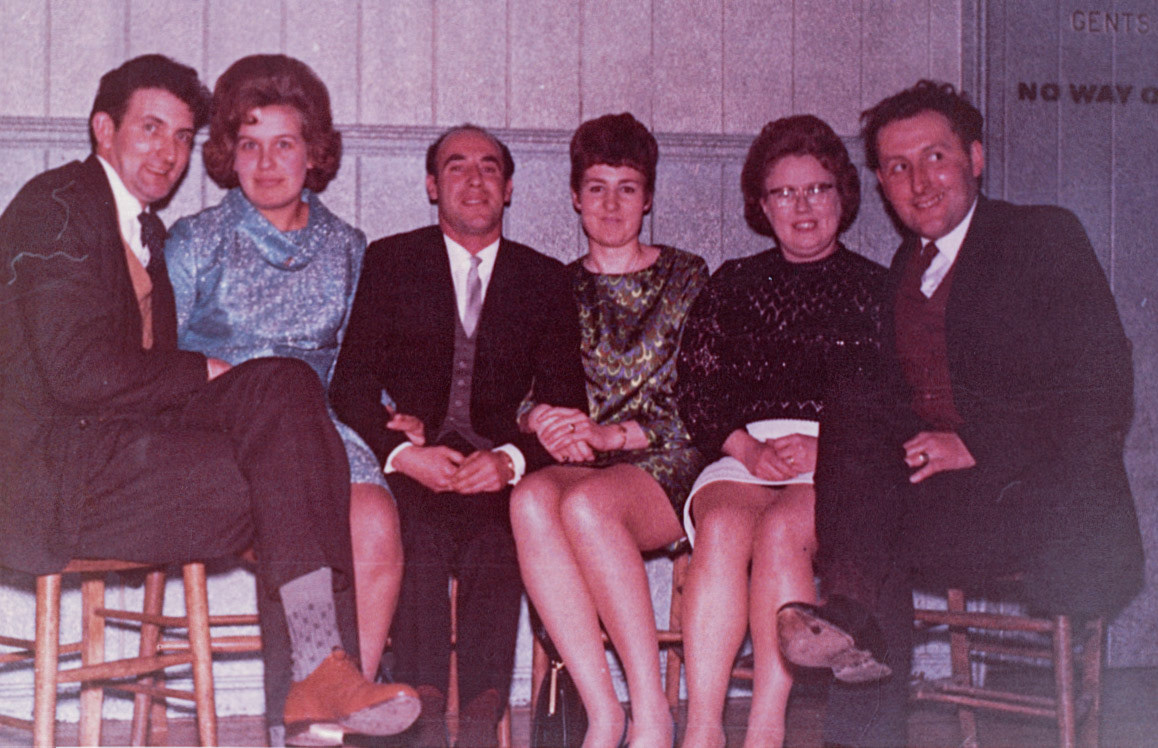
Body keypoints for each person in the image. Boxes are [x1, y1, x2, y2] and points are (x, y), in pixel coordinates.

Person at [0, 55, 419, 747]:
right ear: (103, 129)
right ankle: (317, 692)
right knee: (292, 468)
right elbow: (76, 372)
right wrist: (204, 371)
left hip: (119, 457)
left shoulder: (143, 227)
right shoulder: (58, 206)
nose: (168, 152)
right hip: (49, 476)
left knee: (287, 398)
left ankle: (320, 678)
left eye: (181, 136)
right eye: (151, 129)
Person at [775, 80, 1144, 747]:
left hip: (1042, 499)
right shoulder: (903, 268)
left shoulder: (1041, 236)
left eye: (935, 157)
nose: (919, 182)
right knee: (857, 408)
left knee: (869, 537)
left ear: (976, 158)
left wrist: (978, 443)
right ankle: (854, 629)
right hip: (954, 507)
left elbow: (1102, 386)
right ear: (882, 185)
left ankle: (855, 672)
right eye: (897, 167)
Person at [164, 54, 418, 701]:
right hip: (222, 430)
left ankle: (340, 702)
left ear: (314, 154)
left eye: (284, 144)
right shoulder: (195, 240)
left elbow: (362, 361)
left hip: (324, 424)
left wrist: (395, 412)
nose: (267, 162)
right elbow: (158, 357)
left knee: (374, 521)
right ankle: (320, 698)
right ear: (228, 152)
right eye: (249, 145)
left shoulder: (348, 247)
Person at [330, 124, 588, 747]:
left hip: (495, 467)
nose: (474, 180)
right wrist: (401, 454)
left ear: (508, 190)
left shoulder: (545, 279)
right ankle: (417, 699)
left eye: (489, 168)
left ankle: (480, 709)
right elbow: (350, 385)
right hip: (412, 462)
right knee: (409, 533)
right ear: (431, 185)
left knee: (500, 538)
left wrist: (508, 461)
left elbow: (567, 402)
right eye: (456, 167)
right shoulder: (391, 262)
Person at [675, 115, 885, 748]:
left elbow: (895, 399)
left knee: (781, 531)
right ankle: (704, 728)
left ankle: (767, 725)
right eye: (783, 193)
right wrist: (744, 446)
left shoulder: (878, 289)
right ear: (760, 206)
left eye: (817, 188)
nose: (802, 206)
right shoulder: (732, 283)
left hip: (838, 455)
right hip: (743, 450)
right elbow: (695, 386)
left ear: (843, 195)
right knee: (720, 526)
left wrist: (831, 446)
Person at [510, 112, 707, 748]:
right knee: (531, 498)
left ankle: (650, 711)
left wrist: (611, 437)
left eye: (627, 187)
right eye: (596, 186)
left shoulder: (687, 276)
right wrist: (539, 419)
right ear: (574, 196)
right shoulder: (552, 286)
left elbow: (706, 401)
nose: (612, 202)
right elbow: (511, 391)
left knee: (590, 504)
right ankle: (603, 712)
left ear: (648, 197)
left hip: (669, 458)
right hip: (583, 463)